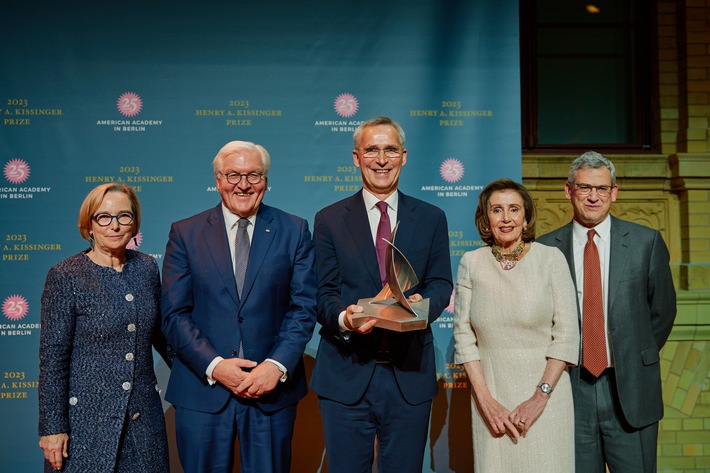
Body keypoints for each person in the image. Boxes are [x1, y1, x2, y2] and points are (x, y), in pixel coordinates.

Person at [161, 140, 317, 473]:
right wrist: (216, 365)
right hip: (203, 390)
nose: (243, 185)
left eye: (253, 175)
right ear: (217, 180)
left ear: (266, 180)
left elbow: (303, 307)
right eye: (233, 175)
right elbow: (174, 315)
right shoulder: (185, 233)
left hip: (270, 392)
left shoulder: (295, 230)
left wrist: (275, 366)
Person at [310, 116, 453, 473]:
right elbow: (322, 292)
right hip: (346, 373)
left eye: (390, 150)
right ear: (357, 158)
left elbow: (441, 284)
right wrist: (346, 318)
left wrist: (424, 307)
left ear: (403, 156)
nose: (382, 159)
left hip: (408, 375)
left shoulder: (432, 217)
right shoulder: (329, 219)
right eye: (371, 150)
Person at [537, 151, 676, 473]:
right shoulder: (545, 249)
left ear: (614, 191)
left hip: (629, 389)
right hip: (570, 387)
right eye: (585, 188)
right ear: (568, 190)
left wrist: (632, 354)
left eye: (602, 188)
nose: (593, 197)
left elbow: (663, 311)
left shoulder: (646, 242)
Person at [38, 183, 170, 473]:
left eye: (124, 216)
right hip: (84, 428)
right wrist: (52, 428)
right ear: (89, 224)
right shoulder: (65, 275)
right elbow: (53, 360)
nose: (115, 225)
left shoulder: (147, 268)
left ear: (134, 222)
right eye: (104, 217)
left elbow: (163, 337)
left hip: (143, 426)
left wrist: (212, 367)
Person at [453, 178, 580, 472]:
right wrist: (486, 402)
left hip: (547, 401)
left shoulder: (551, 259)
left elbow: (567, 334)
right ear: (486, 219)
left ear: (526, 217)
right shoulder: (471, 262)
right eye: (497, 210)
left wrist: (539, 397)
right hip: (492, 403)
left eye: (514, 209)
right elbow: (463, 335)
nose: (506, 218)